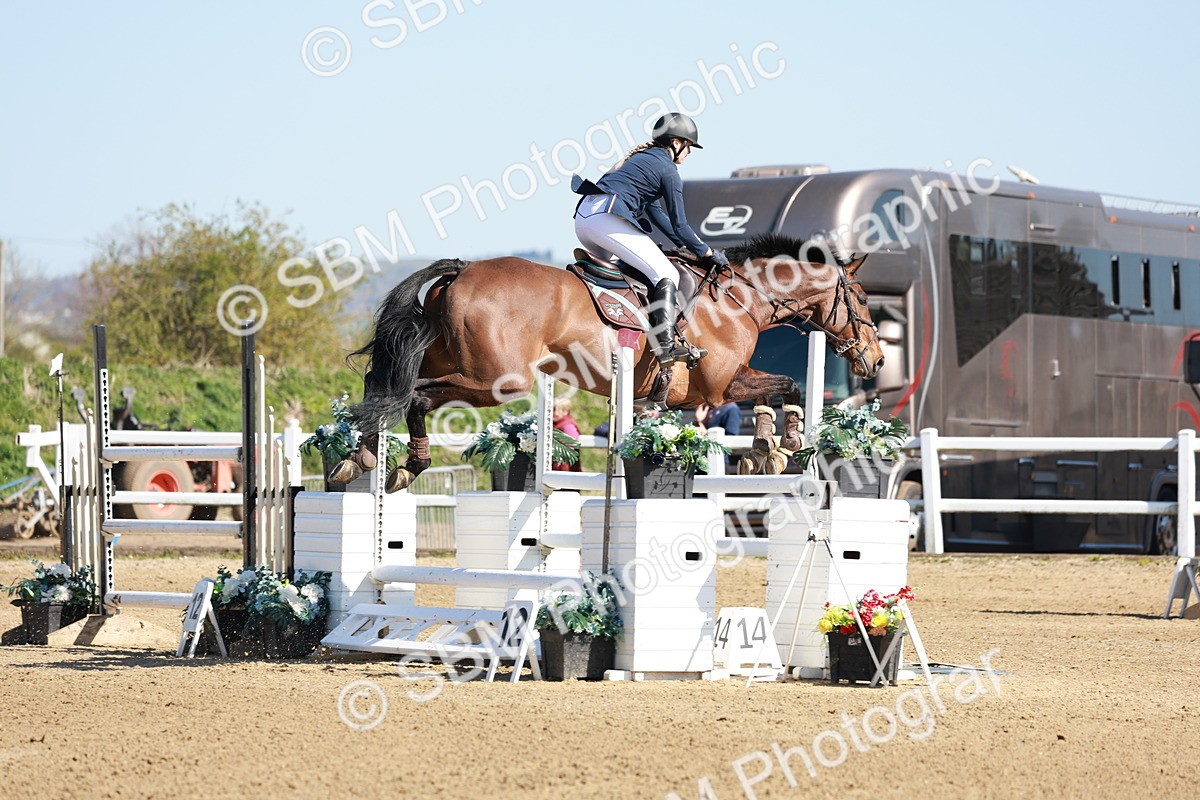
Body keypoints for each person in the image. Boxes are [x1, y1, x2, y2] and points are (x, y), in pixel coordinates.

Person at [572, 112, 729, 366]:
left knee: (627, 277)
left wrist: (680, 245)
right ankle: (665, 346)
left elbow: (657, 215)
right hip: (606, 218)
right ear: (677, 143)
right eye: (689, 148)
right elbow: (680, 224)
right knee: (668, 274)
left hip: (584, 218)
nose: (689, 155)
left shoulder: (642, 159)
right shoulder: (668, 170)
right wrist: (707, 253)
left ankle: (613, 330)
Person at [552, 398, 582, 472]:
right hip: (559, 467)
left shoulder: (567, 426)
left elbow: (571, 444)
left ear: (566, 411)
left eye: (557, 410)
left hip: (565, 468)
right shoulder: (555, 424)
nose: (554, 413)